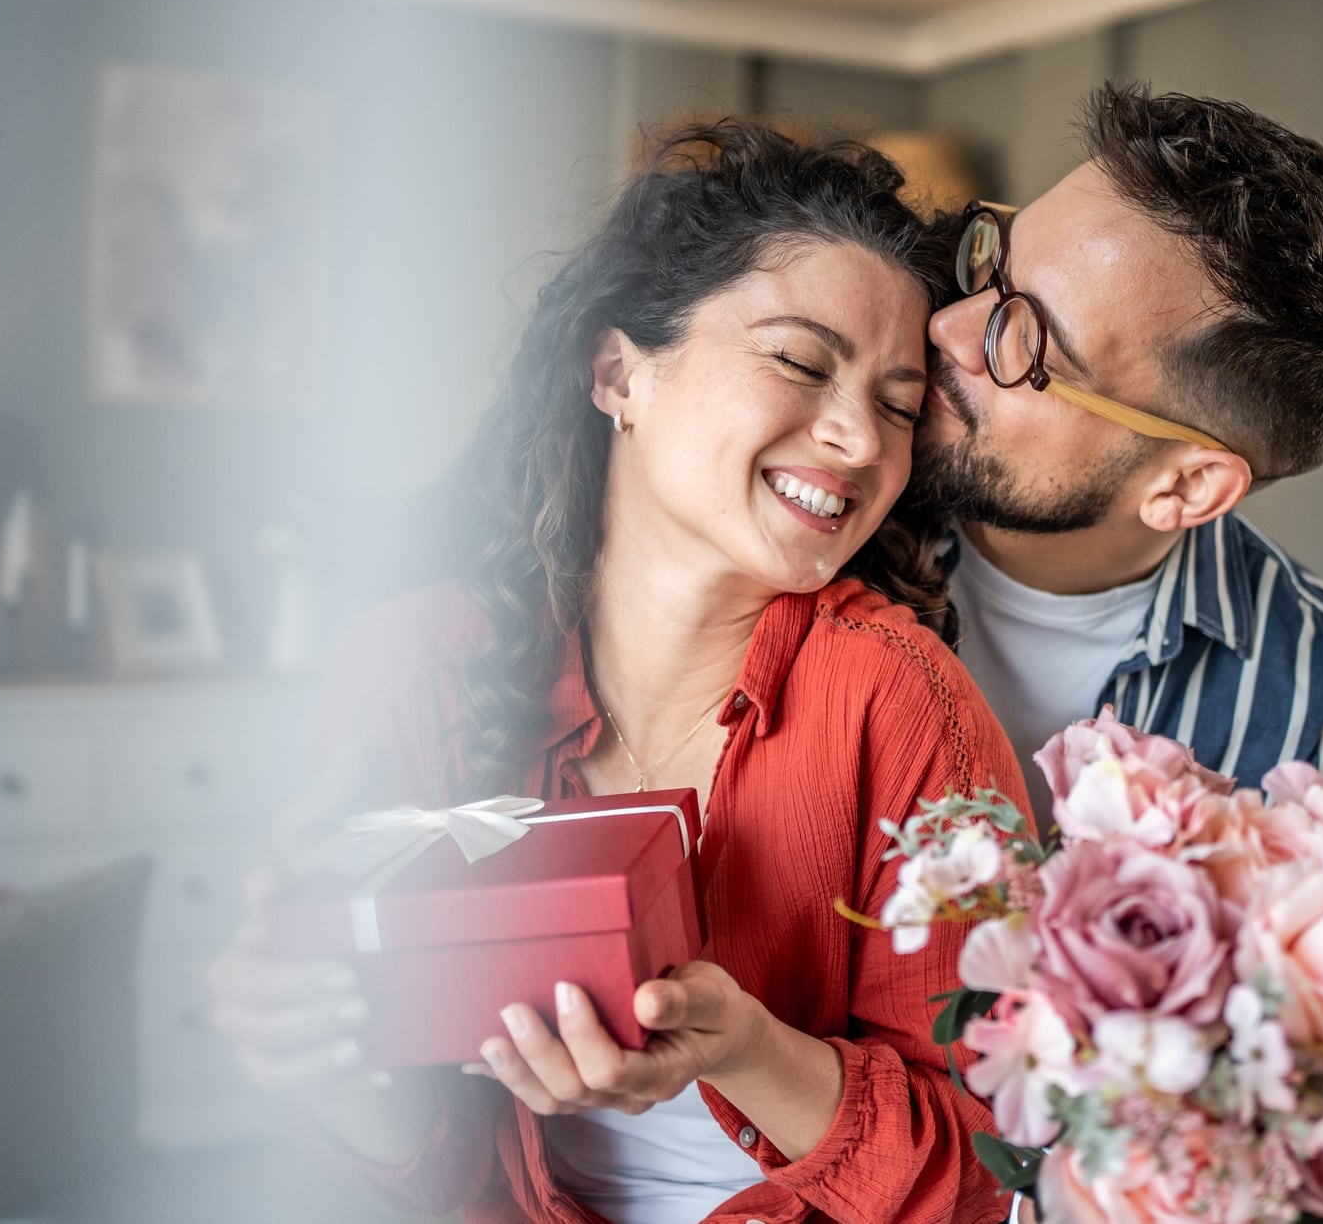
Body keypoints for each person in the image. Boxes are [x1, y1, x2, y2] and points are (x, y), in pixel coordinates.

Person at [207, 123, 1031, 1224]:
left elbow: (989, 1175)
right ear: (618, 373)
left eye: (895, 401)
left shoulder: (901, 702)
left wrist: (743, 1048)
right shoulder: (412, 674)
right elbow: (421, 1172)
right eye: (799, 359)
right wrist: (323, 1048)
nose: (856, 438)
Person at [911, 84, 1323, 827]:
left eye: (1027, 343)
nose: (949, 329)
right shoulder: (827, 512)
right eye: (994, 266)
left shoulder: (1311, 671)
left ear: (1186, 485)